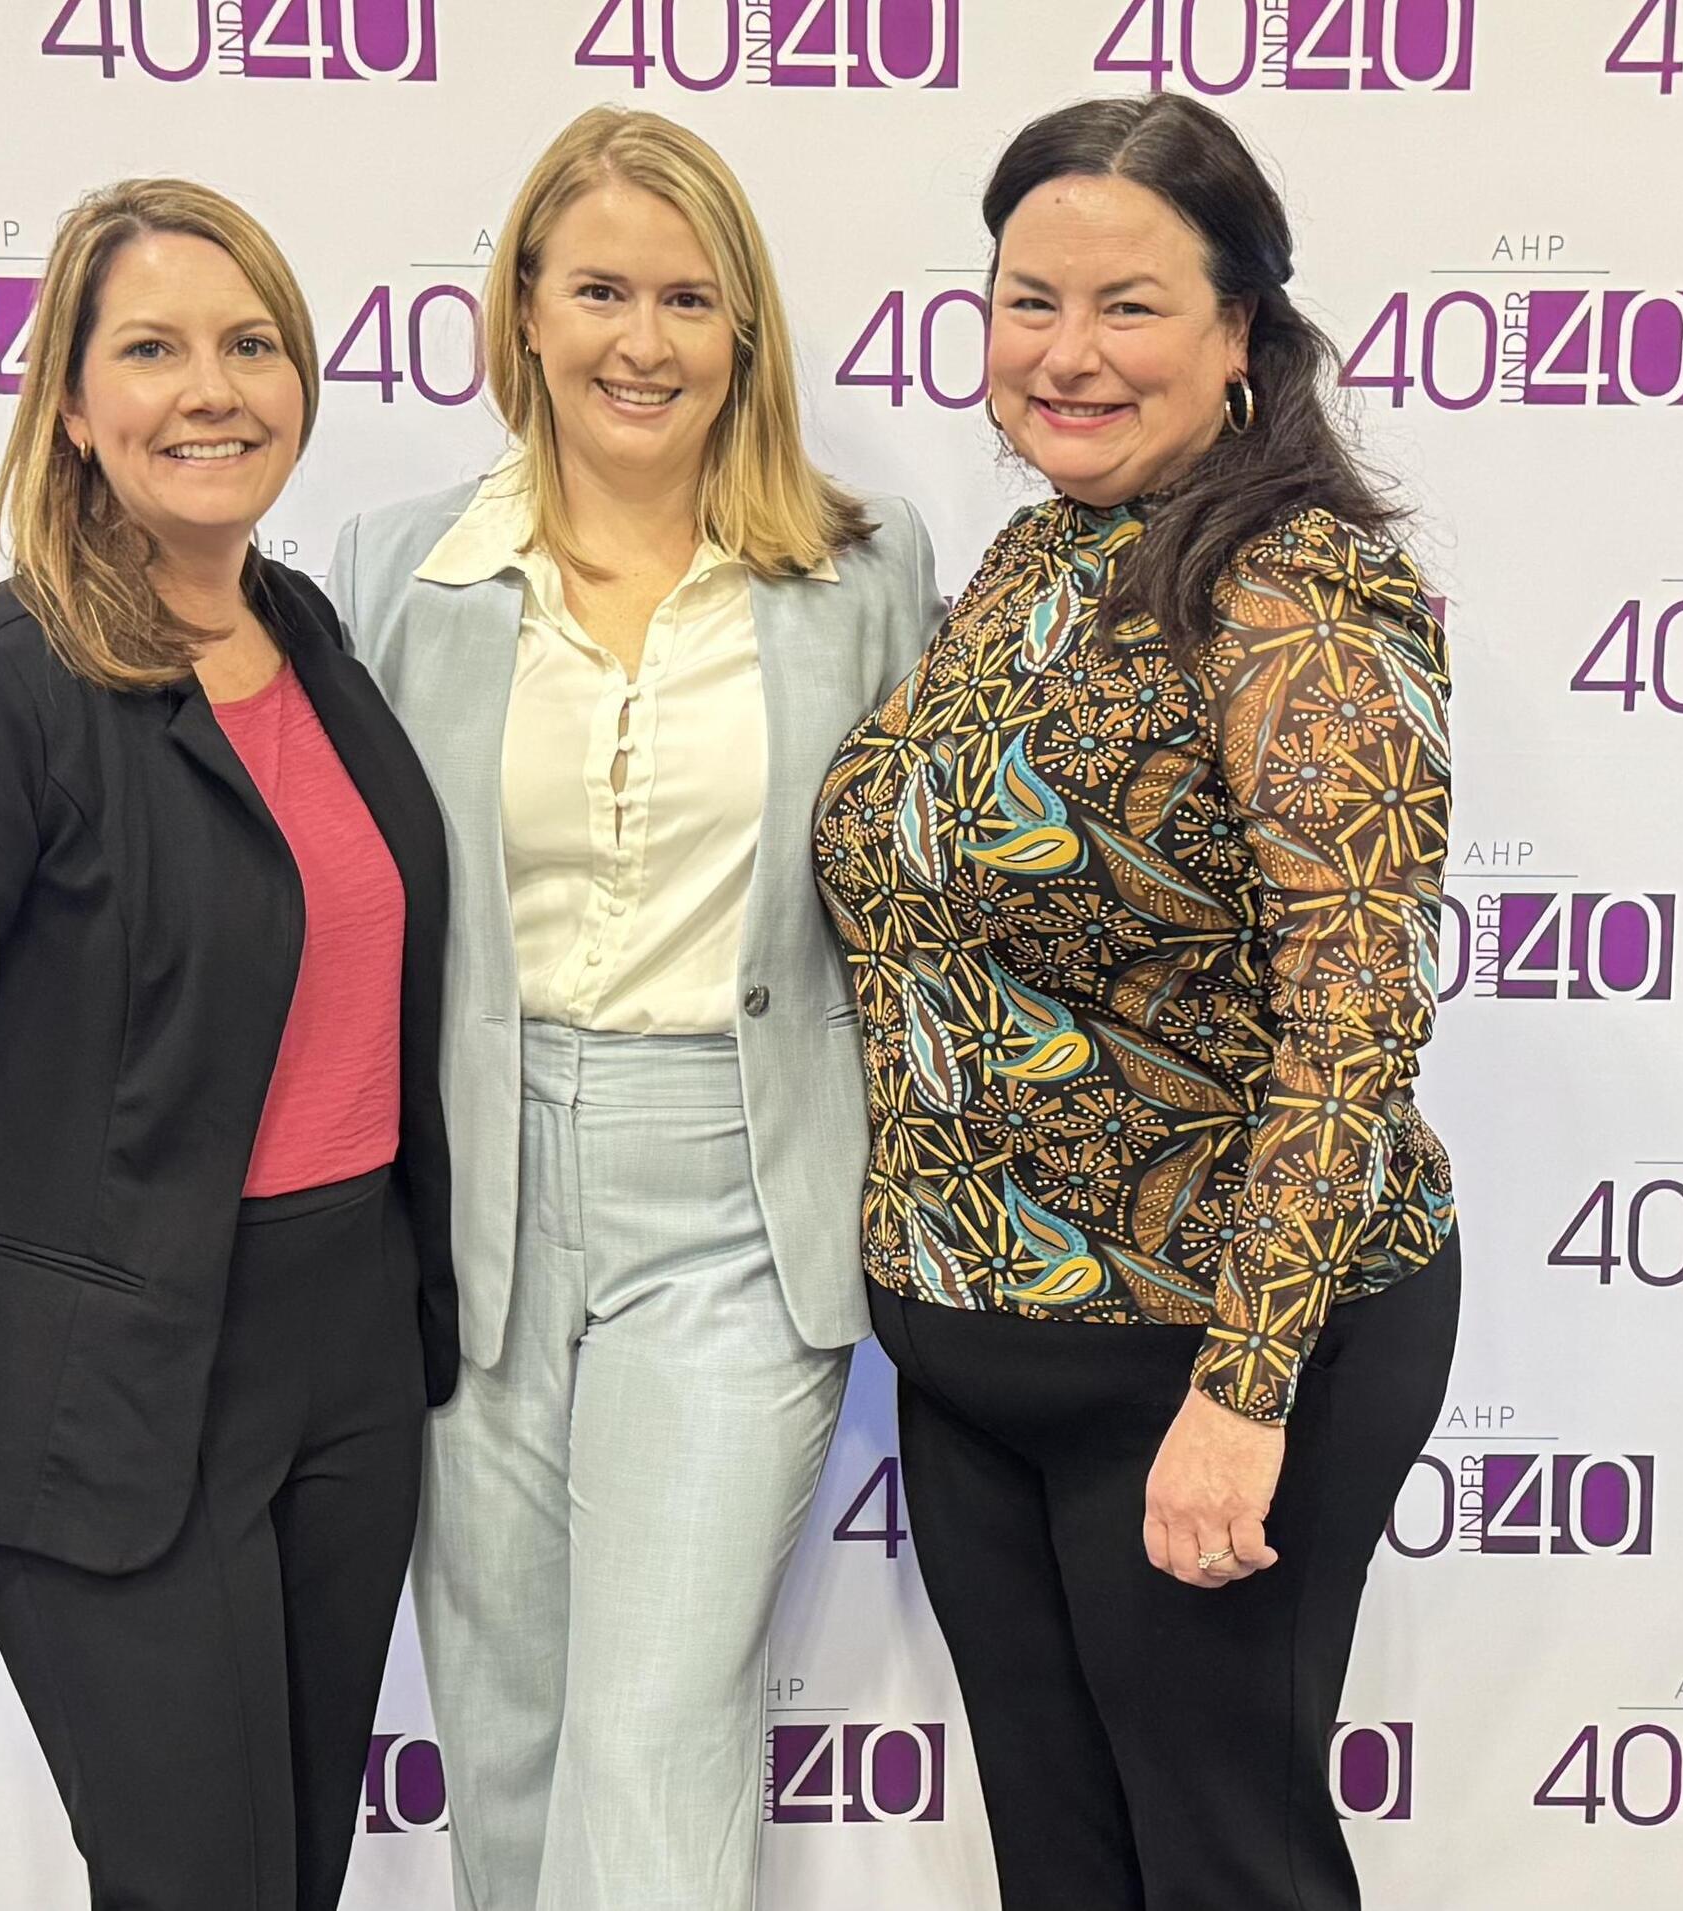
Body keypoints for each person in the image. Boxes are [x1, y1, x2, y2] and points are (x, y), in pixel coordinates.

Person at [813, 94, 1461, 1911]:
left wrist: (1244, 1394)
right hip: (973, 1349)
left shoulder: (1304, 596)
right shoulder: (1033, 557)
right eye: (1030, 302)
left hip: (1209, 1353)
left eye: (1130, 307)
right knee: (1063, 1858)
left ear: (1241, 330)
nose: (1067, 356)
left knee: (1224, 1858)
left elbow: (1354, 1018)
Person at [0, 177, 454, 1911]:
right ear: (73, 411)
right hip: (101, 1395)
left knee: (291, 1874)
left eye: (250, 344)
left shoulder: (303, 635)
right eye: (150, 350)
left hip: (345, 1361)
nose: (210, 389)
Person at [326, 106, 943, 1911]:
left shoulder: (861, 563)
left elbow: (932, 889)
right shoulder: (396, 569)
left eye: (690, 298)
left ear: (744, 329)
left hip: (738, 1205)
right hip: (470, 1203)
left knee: (658, 1726)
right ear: (522, 307)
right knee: (504, 1728)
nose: (642, 341)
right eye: (599, 289)